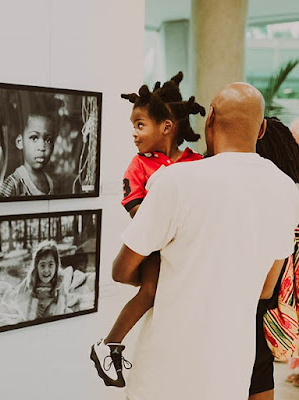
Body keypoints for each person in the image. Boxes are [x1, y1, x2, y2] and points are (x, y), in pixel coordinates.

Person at [112, 82, 299, 400]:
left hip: (163, 374)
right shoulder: (286, 191)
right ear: (262, 129)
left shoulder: (175, 180)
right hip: (230, 372)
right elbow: (266, 289)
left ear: (209, 117)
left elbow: (121, 270)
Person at [90, 72, 206, 387]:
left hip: (185, 250)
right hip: (155, 246)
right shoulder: (139, 165)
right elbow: (135, 209)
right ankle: (108, 344)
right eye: (133, 126)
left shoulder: (197, 163)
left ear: (166, 127)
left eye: (139, 125)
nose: (134, 133)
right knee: (151, 292)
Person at [249, 117, 299, 399]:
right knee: (261, 376)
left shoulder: (274, 194)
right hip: (273, 307)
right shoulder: (288, 190)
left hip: (258, 303)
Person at [0, 94, 57, 197]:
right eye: (34, 138)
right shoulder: (13, 184)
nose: (42, 147)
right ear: (20, 142)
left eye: (48, 140)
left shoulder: (50, 182)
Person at [16, 240, 69, 320]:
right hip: (36, 314)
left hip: (52, 313)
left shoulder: (58, 280)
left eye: (50, 265)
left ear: (56, 266)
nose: (46, 270)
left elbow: (64, 300)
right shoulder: (32, 279)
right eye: (42, 265)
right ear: (36, 266)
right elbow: (20, 298)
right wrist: (32, 308)